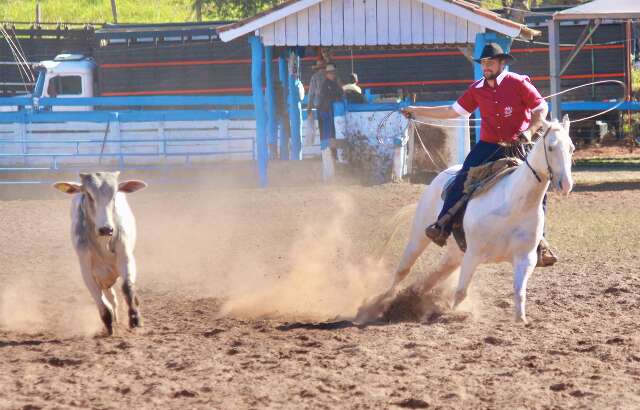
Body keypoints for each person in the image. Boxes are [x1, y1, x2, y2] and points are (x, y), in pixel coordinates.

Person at [401, 43, 557, 267]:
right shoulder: (477, 89)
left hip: (518, 144)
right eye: (483, 63)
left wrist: (529, 131)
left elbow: (541, 108)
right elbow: (452, 111)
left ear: (502, 63)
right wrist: (417, 110)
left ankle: (540, 243)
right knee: (461, 178)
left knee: (538, 186)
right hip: (488, 145)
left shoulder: (518, 83)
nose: (486, 66)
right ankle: (442, 225)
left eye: (490, 62)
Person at [317, 64, 343, 153]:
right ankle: (326, 152)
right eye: (330, 73)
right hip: (326, 111)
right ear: (327, 74)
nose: (332, 75)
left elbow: (339, 94)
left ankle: (331, 152)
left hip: (330, 111)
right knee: (327, 132)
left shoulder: (334, 84)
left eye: (333, 73)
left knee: (331, 132)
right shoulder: (326, 85)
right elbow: (329, 97)